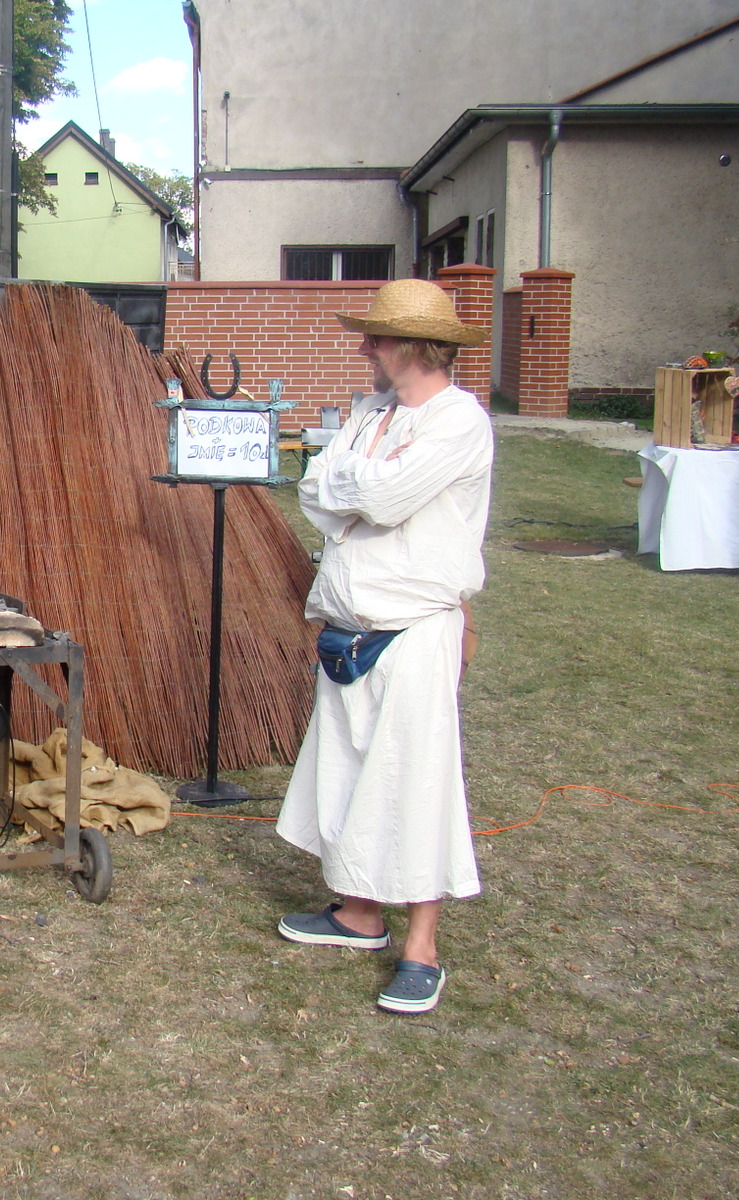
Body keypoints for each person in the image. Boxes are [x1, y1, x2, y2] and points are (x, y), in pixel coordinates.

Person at [274, 277, 492, 1015]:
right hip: (349, 622)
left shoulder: (459, 421)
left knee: (417, 782)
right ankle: (359, 912)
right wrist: (358, 487)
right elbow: (313, 488)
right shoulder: (371, 412)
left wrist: (356, 488)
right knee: (347, 770)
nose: (365, 347)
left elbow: (386, 499)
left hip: (415, 626)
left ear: (415, 346)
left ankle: (421, 949)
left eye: (378, 336)